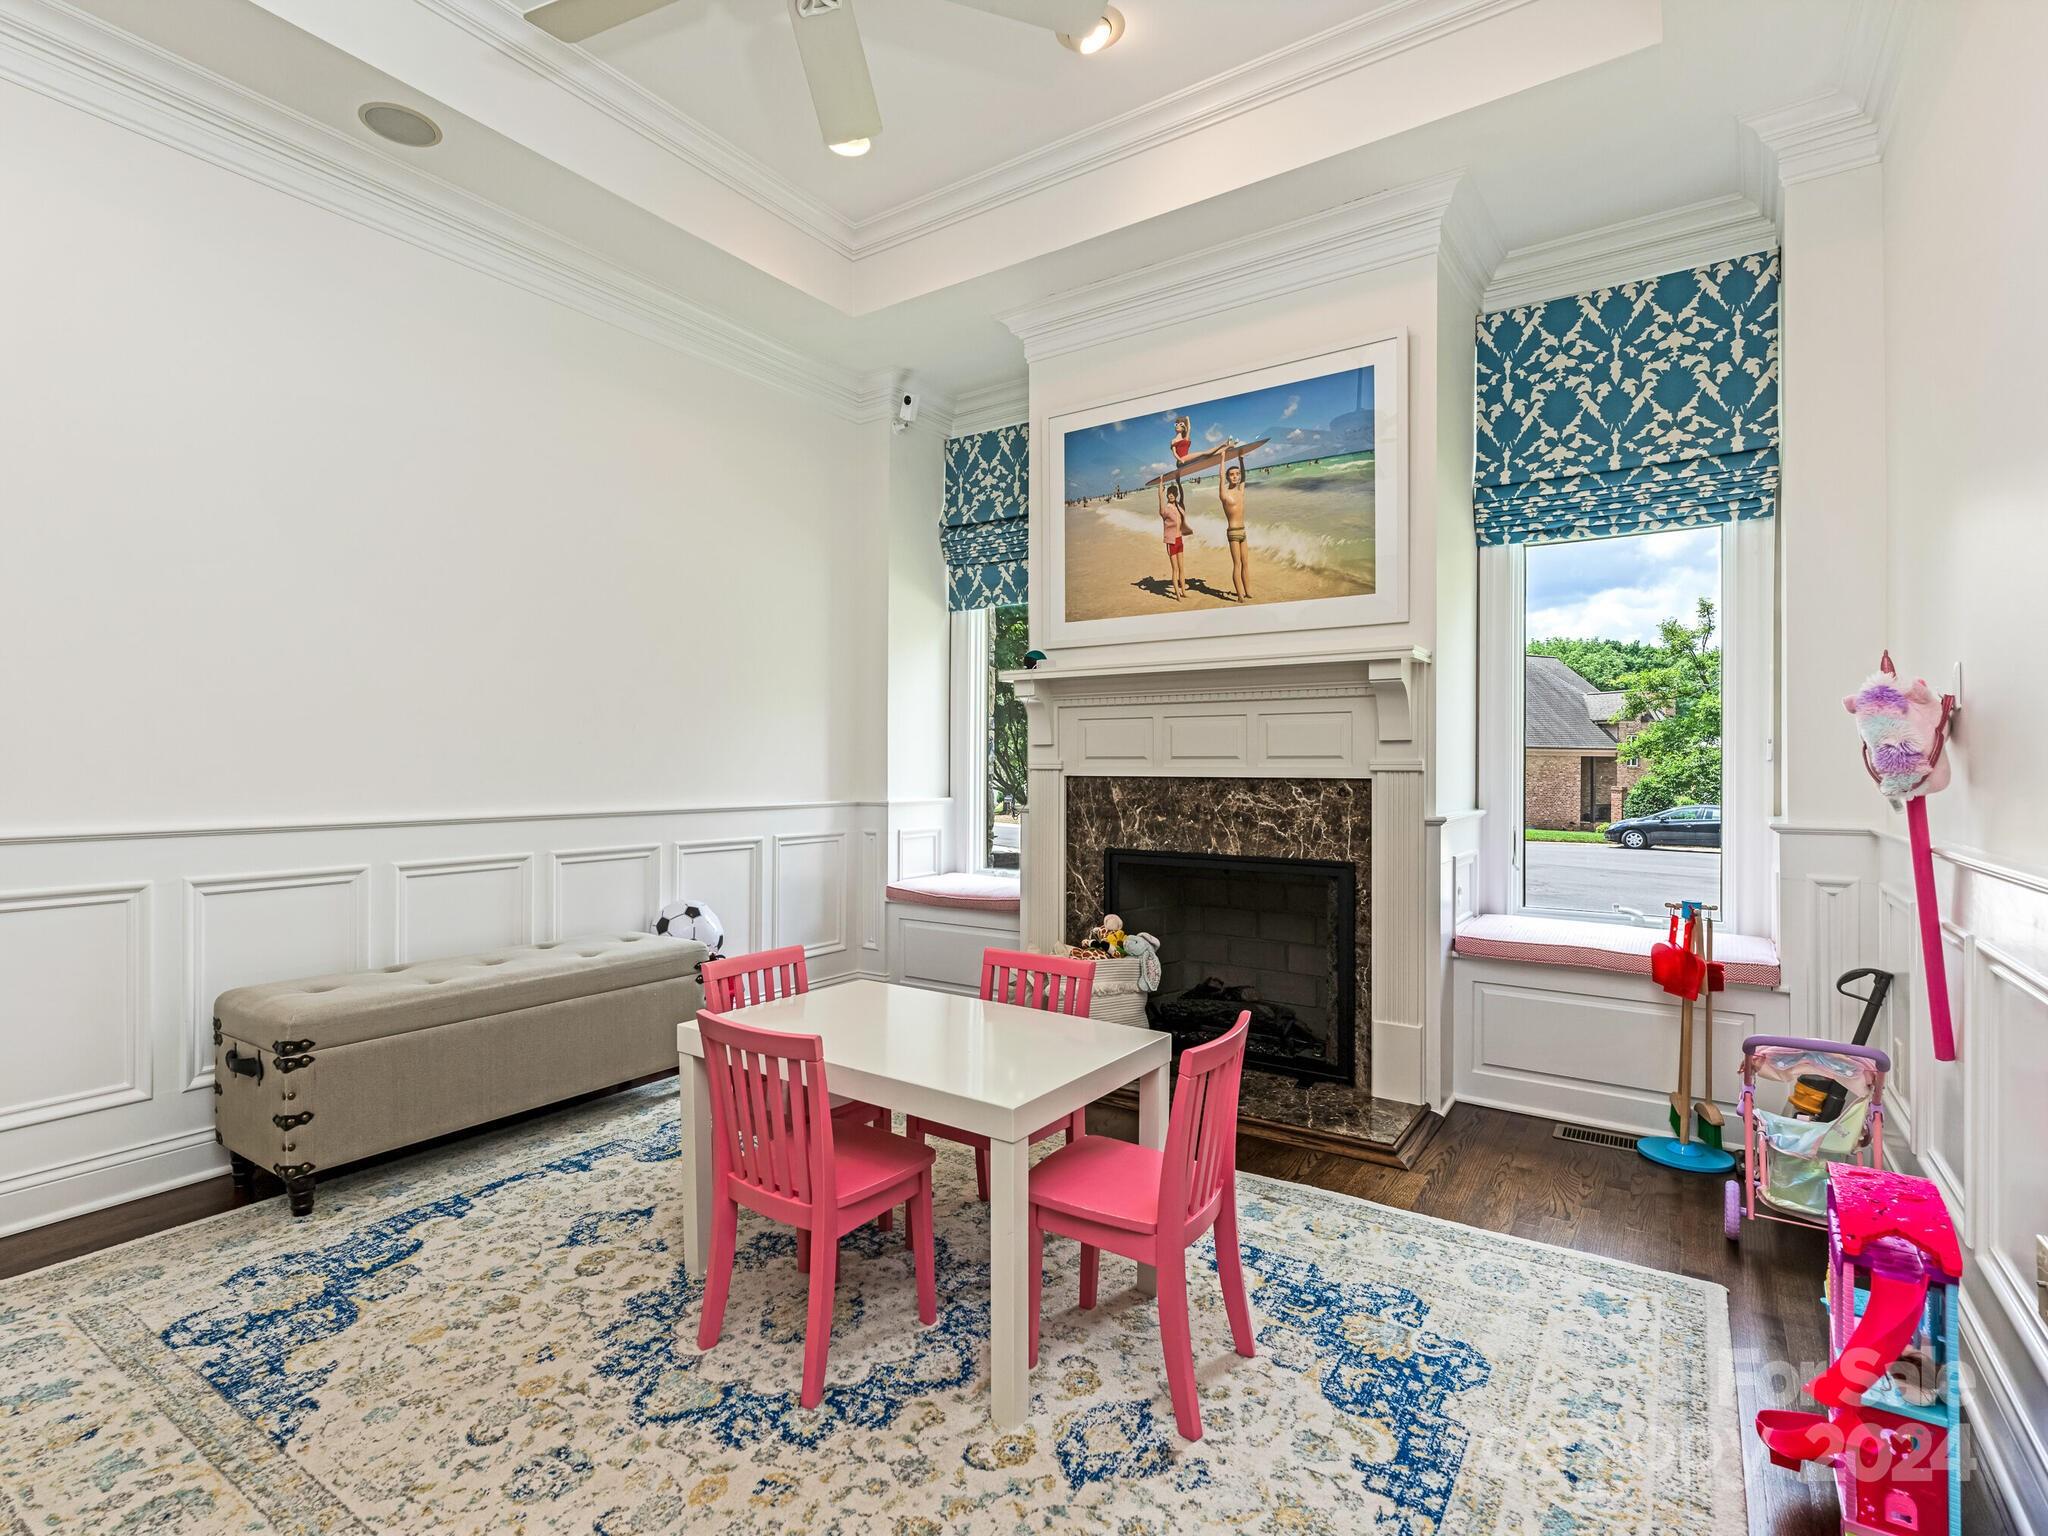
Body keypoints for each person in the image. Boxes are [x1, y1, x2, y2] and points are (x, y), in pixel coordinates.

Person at [1217, 446, 1251, 601]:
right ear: (1228, 477)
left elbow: (1245, 477)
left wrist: (1241, 459)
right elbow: (1220, 478)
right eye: (1232, 475)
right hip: (1233, 532)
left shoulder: (1240, 491)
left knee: (1246, 563)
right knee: (1237, 564)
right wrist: (1222, 458)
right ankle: (1239, 595)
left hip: (1243, 531)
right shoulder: (1224, 494)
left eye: (1237, 474)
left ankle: (1248, 591)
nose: (1235, 476)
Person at [1156, 479, 1191, 600]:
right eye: (1169, 493)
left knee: (1182, 568)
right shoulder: (1165, 510)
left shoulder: (1180, 507)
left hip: (1179, 540)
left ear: (1176, 494)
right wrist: (1161, 487)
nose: (1171, 495)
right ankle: (1177, 594)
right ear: (1167, 495)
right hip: (1171, 542)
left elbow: (1183, 496)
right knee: (1175, 569)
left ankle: (1183, 592)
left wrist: (1179, 482)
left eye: (1173, 493)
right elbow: (1160, 501)